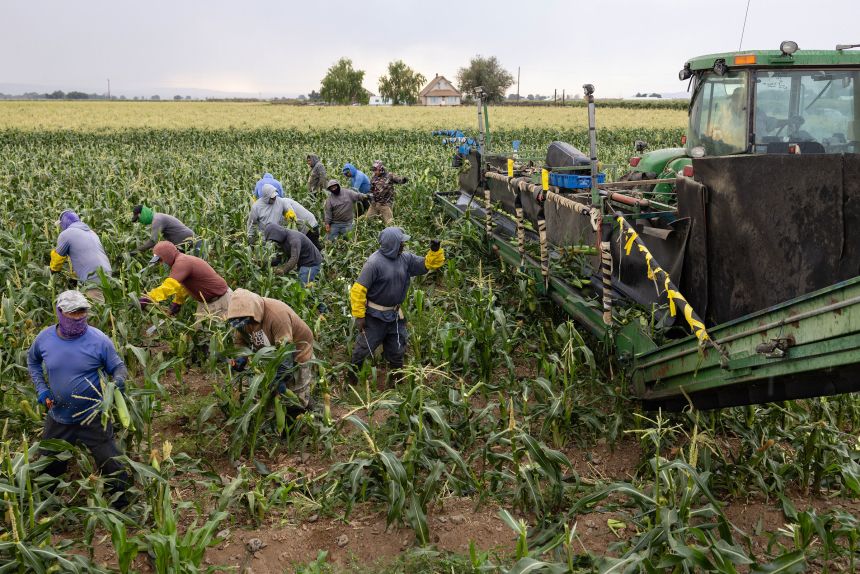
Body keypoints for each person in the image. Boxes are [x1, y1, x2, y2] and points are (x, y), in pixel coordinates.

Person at [27, 290, 131, 508]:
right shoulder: (44, 339)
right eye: (73, 312)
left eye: (82, 312)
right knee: (49, 464)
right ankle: (47, 506)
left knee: (112, 464)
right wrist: (41, 389)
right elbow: (33, 361)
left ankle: (122, 506)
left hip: (92, 415)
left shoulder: (99, 340)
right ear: (59, 312)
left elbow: (118, 367)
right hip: (59, 415)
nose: (78, 317)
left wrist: (117, 383)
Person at [349, 227, 444, 374]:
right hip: (375, 317)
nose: (403, 245)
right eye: (401, 243)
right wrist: (360, 316)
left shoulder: (406, 259)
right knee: (363, 349)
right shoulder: (374, 263)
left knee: (397, 350)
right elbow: (358, 290)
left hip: (395, 316)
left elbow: (427, 264)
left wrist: (435, 251)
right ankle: (353, 376)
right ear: (392, 243)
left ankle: (396, 380)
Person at [226, 288, 315, 413]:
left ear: (254, 312)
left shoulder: (277, 315)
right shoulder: (242, 318)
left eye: (245, 320)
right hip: (272, 351)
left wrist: (281, 378)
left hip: (297, 348)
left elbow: (286, 349)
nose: (243, 324)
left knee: (295, 390)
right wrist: (242, 357)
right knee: (272, 390)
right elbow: (241, 341)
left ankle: (304, 411)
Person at [139, 241, 233, 323]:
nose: (161, 263)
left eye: (160, 260)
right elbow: (182, 286)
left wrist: (149, 297)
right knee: (200, 334)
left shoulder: (182, 262)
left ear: (167, 255)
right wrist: (177, 302)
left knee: (224, 336)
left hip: (220, 301)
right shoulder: (180, 261)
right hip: (206, 303)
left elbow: (169, 286)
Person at [50, 210, 112, 303]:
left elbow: (58, 258)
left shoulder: (66, 234)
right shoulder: (91, 232)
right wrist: (74, 277)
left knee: (96, 311)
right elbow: (84, 256)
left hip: (93, 276)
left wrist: (53, 271)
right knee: (105, 306)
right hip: (106, 273)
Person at [248, 184, 321, 249]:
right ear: (266, 197)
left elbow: (289, 211)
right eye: (272, 197)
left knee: (311, 247)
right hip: (265, 237)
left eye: (275, 196)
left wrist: (290, 214)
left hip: (307, 227)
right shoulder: (256, 207)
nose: (274, 199)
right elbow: (252, 224)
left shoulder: (280, 201)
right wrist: (250, 238)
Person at [130, 205, 200, 255]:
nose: (139, 221)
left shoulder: (157, 220)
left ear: (143, 214)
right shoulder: (157, 218)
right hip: (183, 245)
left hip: (193, 243)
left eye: (139, 219)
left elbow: (153, 241)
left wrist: (134, 252)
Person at [367, 160, 408, 225]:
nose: (374, 172)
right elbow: (370, 191)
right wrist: (371, 199)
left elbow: (399, 180)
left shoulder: (389, 175)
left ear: (381, 169)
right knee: (367, 221)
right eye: (373, 170)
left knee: (390, 223)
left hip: (385, 204)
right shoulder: (374, 178)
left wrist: (404, 180)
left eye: (375, 170)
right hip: (374, 204)